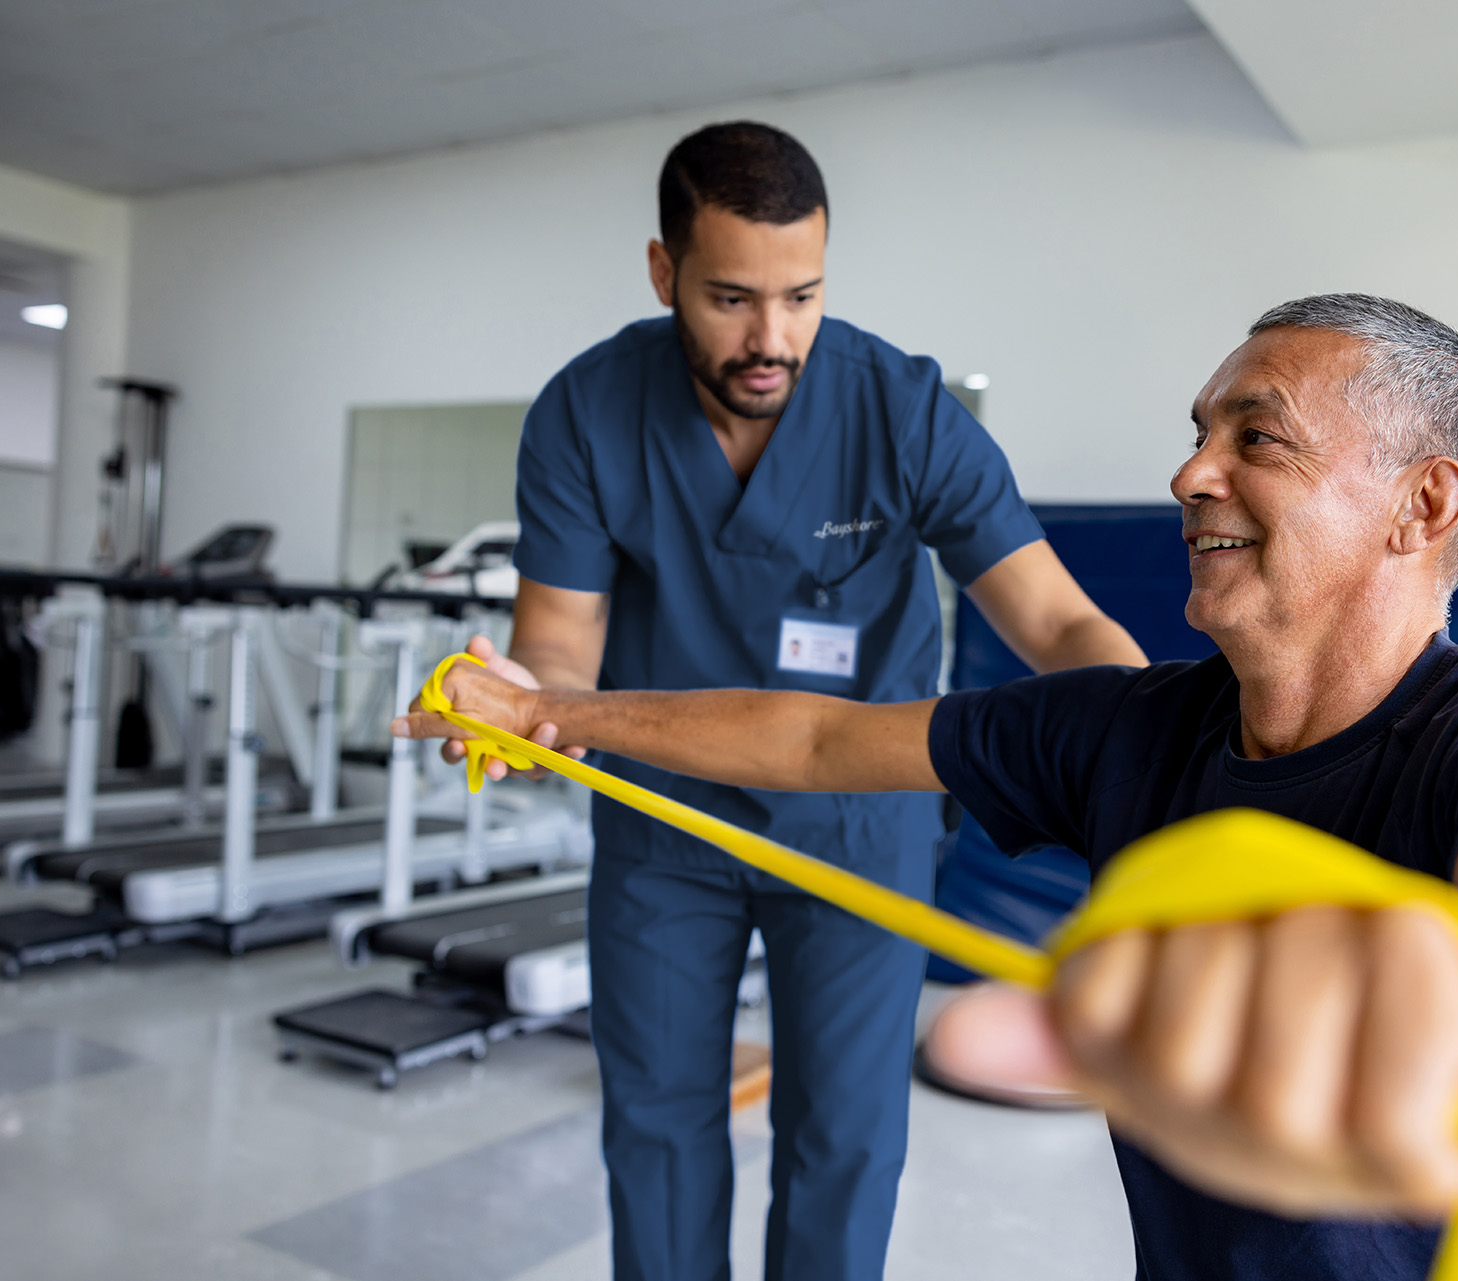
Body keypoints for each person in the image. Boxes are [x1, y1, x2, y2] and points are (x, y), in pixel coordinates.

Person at [402, 293, 1458, 1280]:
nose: (1193, 473)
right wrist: (549, 709)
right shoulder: (1126, 733)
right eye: (1199, 433)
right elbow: (812, 743)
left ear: (1422, 505)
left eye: (1260, 437)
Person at [479, 120, 1145, 1281]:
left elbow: (1051, 618)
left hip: (859, 820)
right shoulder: (588, 411)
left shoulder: (904, 410)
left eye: (802, 297)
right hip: (663, 824)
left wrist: (1157, 736)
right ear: (662, 271)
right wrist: (522, 703)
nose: (771, 338)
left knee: (843, 1141)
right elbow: (558, 641)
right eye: (731, 297)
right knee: (655, 1125)